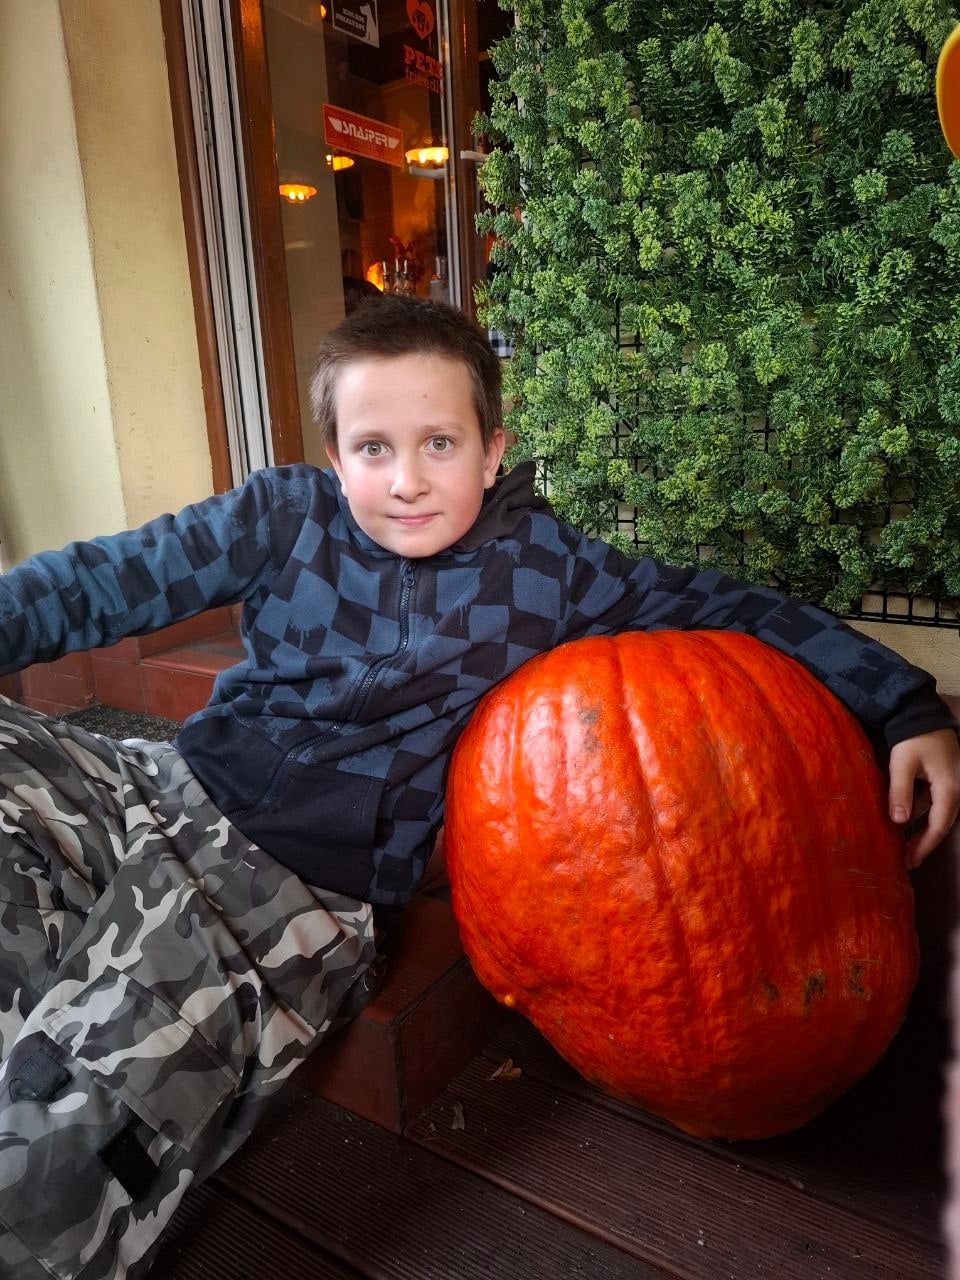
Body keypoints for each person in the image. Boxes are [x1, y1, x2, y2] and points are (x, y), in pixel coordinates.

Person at [0, 296, 958, 1280]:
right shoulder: (285, 516)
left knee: (44, 1169)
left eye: (439, 443)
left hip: (280, 893)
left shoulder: (545, 574)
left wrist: (902, 703)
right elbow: (104, 581)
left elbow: (729, 606)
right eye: (373, 448)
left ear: (493, 451)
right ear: (335, 458)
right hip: (156, 781)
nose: (406, 480)